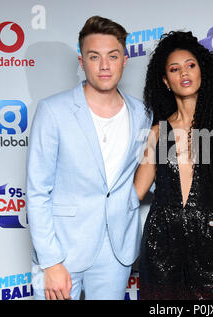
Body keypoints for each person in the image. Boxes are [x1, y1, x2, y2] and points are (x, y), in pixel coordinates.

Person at [26, 16, 152, 300]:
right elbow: (37, 192)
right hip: (62, 248)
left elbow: (149, 171)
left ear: (124, 60)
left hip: (116, 249)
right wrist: (51, 261)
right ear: (82, 62)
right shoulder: (53, 111)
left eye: (113, 56)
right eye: (94, 57)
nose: (104, 65)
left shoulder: (143, 113)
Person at [134, 31, 213, 300]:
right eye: (174, 69)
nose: (184, 72)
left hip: (208, 239)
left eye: (190, 65)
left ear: (202, 72)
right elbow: (136, 191)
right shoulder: (157, 132)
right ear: (166, 81)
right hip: (161, 240)